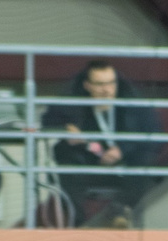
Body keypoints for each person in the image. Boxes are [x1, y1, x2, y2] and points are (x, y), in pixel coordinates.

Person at [45, 60, 159, 228]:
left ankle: (120, 210)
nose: (106, 90)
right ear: (87, 86)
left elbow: (153, 130)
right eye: (99, 85)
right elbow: (47, 120)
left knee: (145, 159)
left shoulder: (130, 99)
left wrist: (122, 149)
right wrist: (65, 129)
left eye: (111, 83)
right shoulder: (73, 101)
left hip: (126, 165)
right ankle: (77, 221)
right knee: (64, 152)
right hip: (90, 164)